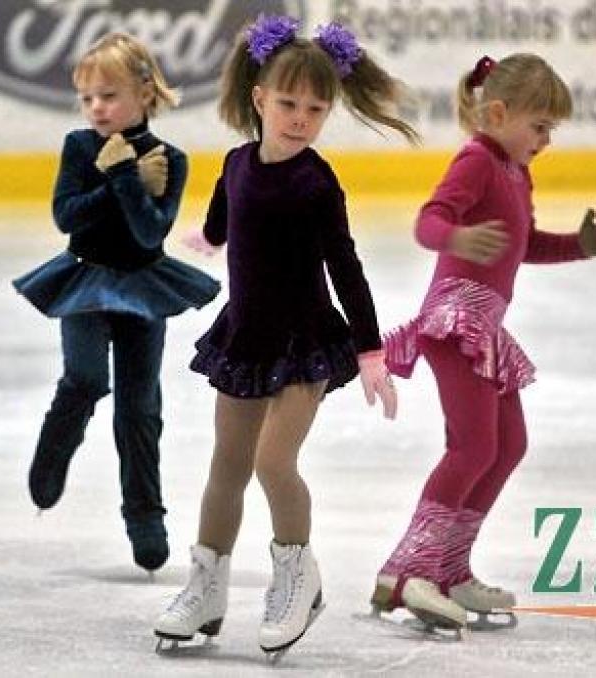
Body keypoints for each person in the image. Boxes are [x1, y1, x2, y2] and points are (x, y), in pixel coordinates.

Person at [153, 16, 417, 658]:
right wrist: (209, 238)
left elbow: (346, 265)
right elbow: (224, 213)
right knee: (227, 466)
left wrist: (370, 350)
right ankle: (207, 583)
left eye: (316, 109)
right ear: (260, 98)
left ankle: (299, 575)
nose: (300, 118)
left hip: (304, 342)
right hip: (245, 335)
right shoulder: (239, 162)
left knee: (274, 460)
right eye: (289, 103)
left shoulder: (316, 183)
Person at [370, 53, 596, 630]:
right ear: (499, 113)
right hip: (454, 322)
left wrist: (582, 245)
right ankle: (415, 573)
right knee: (474, 446)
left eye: (552, 129)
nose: (547, 140)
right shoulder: (477, 160)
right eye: (540, 126)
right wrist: (457, 234)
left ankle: (445, 568)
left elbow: (524, 244)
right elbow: (428, 221)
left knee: (509, 445)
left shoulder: (516, 171)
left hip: (484, 326)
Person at [12, 33, 220, 572]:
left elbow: (151, 234)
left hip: (144, 285)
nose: (96, 107)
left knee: (139, 406)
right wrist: (117, 176)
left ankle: (144, 514)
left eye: (108, 95)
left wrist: (127, 175)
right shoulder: (81, 147)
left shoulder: (169, 160)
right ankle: (56, 446)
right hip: (83, 279)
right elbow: (67, 217)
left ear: (145, 94)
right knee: (85, 379)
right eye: (87, 98)